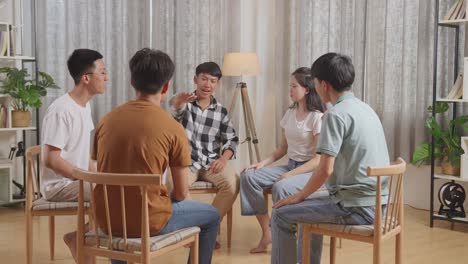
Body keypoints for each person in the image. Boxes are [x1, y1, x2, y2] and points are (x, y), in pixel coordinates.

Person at [92, 48, 220, 264]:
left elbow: (101, 168)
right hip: (148, 221)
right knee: (212, 215)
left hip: (105, 219)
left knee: (123, 212)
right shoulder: (172, 127)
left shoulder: (106, 120)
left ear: (132, 81)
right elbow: (180, 193)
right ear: (166, 86)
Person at [270, 53, 390, 264]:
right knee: (308, 206)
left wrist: (300, 196)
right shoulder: (365, 108)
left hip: (356, 208)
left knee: (281, 214)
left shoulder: (336, 115)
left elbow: (325, 169)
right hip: (379, 205)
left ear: (323, 84)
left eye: (314, 82)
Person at [240, 67, 325, 253]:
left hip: (307, 170)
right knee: (248, 176)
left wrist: (289, 175)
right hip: (290, 165)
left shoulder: (317, 117)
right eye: (290, 86)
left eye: (294, 86)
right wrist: (260, 164)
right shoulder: (289, 113)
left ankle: (285, 232)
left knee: (281, 186)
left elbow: (319, 160)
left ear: (307, 90)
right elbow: (282, 149)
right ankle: (268, 232)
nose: (290, 90)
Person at [40, 49, 107, 262]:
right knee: (106, 193)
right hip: (59, 186)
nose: (107, 78)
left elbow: (83, 155)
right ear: (86, 78)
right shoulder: (61, 110)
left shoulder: (84, 107)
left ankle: (79, 237)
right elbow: (51, 159)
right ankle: (86, 245)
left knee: (116, 186)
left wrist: (103, 173)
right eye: (103, 72)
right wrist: (88, 177)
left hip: (78, 180)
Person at [167, 62, 239, 248]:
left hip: (211, 162)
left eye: (213, 81)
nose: (208, 84)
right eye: (204, 79)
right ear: (195, 80)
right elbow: (175, 108)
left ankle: (206, 228)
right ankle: (191, 233)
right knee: (174, 186)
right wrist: (178, 102)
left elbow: (232, 140)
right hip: (186, 163)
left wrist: (224, 159)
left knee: (232, 185)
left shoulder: (221, 111)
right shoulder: (186, 104)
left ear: (217, 84)